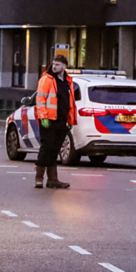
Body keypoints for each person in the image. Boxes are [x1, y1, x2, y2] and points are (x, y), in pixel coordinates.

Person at [34, 55, 77, 189]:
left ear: (64, 66)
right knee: (46, 147)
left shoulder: (68, 81)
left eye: (58, 64)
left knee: (55, 149)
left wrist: (70, 120)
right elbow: (40, 99)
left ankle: (53, 179)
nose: (54, 67)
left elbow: (69, 102)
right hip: (49, 120)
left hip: (62, 121)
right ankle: (39, 177)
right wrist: (43, 117)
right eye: (53, 64)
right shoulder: (46, 79)